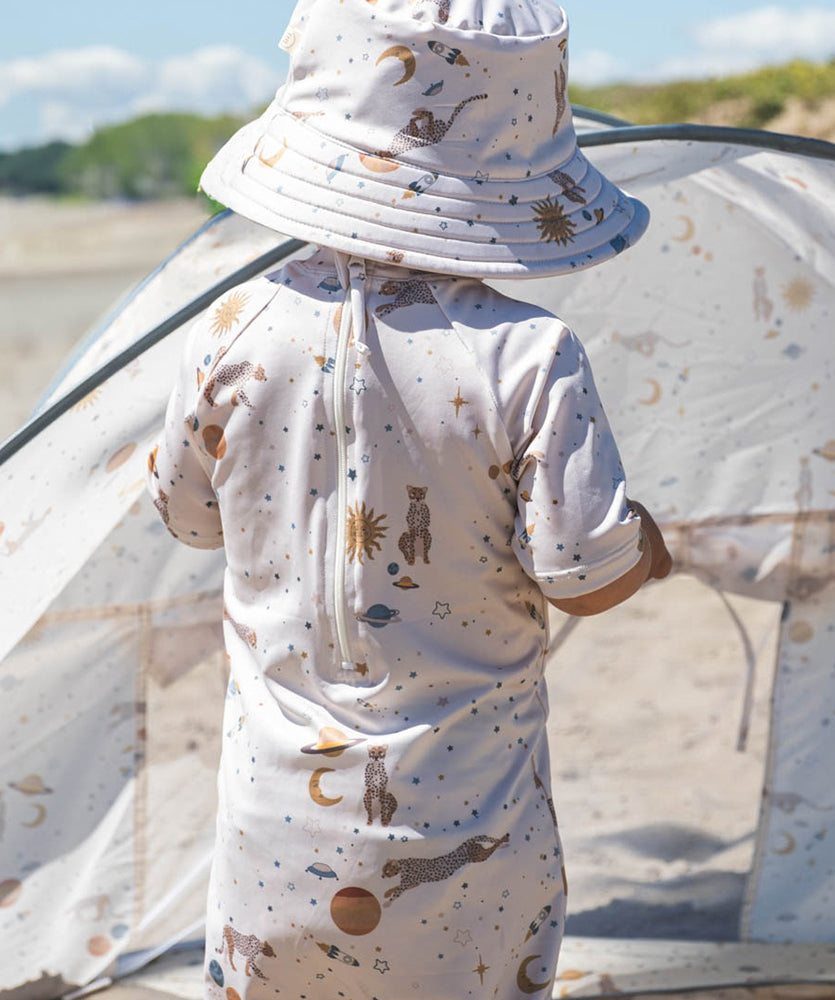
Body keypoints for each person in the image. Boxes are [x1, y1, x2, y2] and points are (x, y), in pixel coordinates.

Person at [147, 0, 671, 997]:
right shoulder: (530, 355)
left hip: (273, 830)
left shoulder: (225, 330)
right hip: (468, 828)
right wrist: (647, 542)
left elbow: (188, 518)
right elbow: (586, 577)